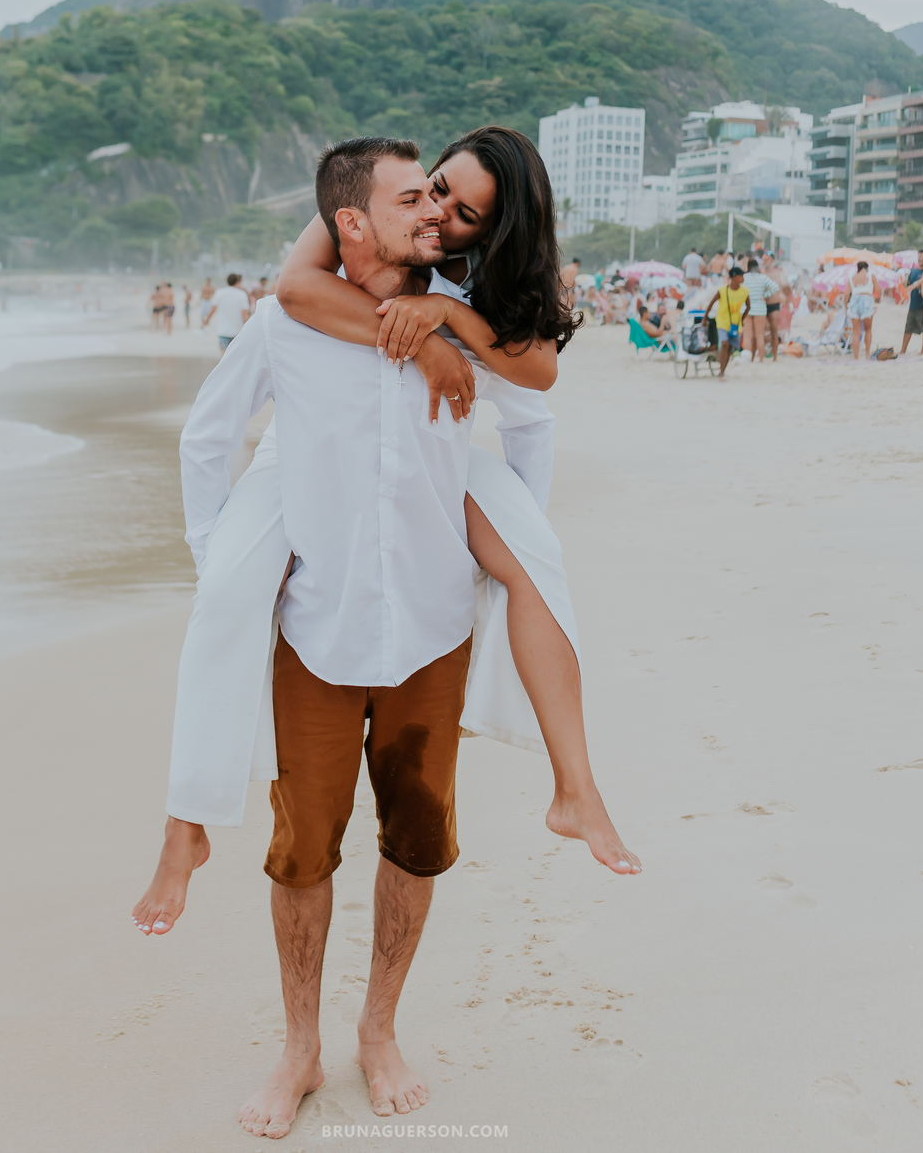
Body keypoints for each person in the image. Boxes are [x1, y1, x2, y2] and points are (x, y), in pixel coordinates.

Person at [144, 138, 637, 1136]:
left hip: (428, 627)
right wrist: (219, 553)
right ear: (364, 216)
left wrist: (495, 530)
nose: (440, 213)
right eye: (428, 194)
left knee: (416, 845)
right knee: (302, 857)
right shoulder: (299, 308)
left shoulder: (465, 304)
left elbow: (532, 406)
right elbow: (211, 430)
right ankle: (298, 1047)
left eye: (457, 208)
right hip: (312, 631)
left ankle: (378, 1031)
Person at [704, 265, 748, 376]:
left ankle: (722, 369)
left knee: (729, 347)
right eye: (741, 275)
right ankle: (721, 371)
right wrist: (705, 317)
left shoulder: (744, 291)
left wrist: (742, 319)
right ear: (734, 277)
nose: (743, 277)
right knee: (724, 343)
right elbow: (711, 303)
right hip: (722, 321)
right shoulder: (722, 290)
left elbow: (748, 306)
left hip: (735, 323)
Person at [741, 259, 779, 363]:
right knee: (759, 335)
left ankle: (747, 359)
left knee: (747, 336)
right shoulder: (763, 278)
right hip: (760, 308)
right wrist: (765, 295)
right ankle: (761, 359)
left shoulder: (744, 278)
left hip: (746, 308)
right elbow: (775, 287)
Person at [206, 272, 250, 347]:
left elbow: (212, 309)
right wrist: (249, 328)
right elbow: (245, 314)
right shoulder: (242, 294)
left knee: (224, 356)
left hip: (222, 331)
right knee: (235, 356)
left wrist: (206, 321)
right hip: (237, 331)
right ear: (237, 281)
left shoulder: (219, 292)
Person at [847, 260, 880, 360]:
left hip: (854, 301)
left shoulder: (852, 278)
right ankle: (867, 354)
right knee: (868, 329)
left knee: (856, 332)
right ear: (866, 268)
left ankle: (856, 357)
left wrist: (845, 306)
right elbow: (879, 290)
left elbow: (846, 294)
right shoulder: (870, 275)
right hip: (867, 301)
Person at [899, 252, 923, 355]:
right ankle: (903, 350)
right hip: (913, 304)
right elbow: (908, 283)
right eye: (919, 255)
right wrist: (905, 281)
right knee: (908, 328)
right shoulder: (913, 271)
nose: (921, 258)